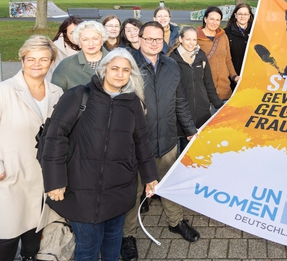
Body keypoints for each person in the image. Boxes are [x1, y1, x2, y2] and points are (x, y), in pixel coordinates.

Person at [42, 48, 159, 261]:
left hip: (119, 188)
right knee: (87, 248)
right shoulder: (79, 95)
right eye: (115, 68)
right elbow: (55, 137)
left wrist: (150, 177)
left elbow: (142, 142)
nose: (120, 74)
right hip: (82, 189)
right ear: (104, 69)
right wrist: (54, 181)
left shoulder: (133, 103)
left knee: (113, 243)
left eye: (126, 70)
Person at [121, 21, 199, 261]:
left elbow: (180, 101)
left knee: (169, 185)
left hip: (166, 139)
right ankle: (127, 235)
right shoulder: (127, 66)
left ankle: (175, 222)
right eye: (149, 39)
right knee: (132, 191)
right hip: (135, 143)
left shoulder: (171, 65)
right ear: (140, 39)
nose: (154, 43)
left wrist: (189, 129)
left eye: (158, 39)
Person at [0, 35, 63, 261]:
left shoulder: (57, 93)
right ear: (22, 60)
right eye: (31, 59)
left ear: (51, 62)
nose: (37, 64)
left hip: (42, 176)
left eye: (43, 59)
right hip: (11, 174)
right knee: (6, 235)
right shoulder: (4, 91)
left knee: (33, 235)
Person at [168, 26, 224, 152]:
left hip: (202, 112)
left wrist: (220, 106)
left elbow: (209, 84)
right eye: (188, 39)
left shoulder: (201, 56)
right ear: (180, 39)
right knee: (186, 152)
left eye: (194, 40)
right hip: (183, 116)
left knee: (202, 151)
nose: (191, 43)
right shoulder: (172, 60)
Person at [51, 20, 109, 91]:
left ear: (102, 39)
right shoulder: (66, 66)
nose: (91, 43)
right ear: (79, 42)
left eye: (95, 38)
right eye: (85, 39)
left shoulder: (117, 60)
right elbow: (56, 94)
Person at [197, 6, 240, 101]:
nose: (214, 22)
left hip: (224, 90)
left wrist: (234, 76)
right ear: (205, 19)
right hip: (204, 92)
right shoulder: (195, 37)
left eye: (217, 20)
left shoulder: (223, 37)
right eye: (211, 19)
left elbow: (228, 59)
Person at [224, 3, 254, 90]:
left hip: (252, 75)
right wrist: (233, 75)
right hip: (234, 76)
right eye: (240, 14)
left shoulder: (256, 30)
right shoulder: (226, 33)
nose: (242, 16)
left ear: (249, 16)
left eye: (245, 14)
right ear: (235, 15)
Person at [49, 16, 83, 80]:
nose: (76, 36)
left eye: (79, 32)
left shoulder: (91, 47)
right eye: (72, 33)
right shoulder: (55, 49)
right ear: (65, 33)